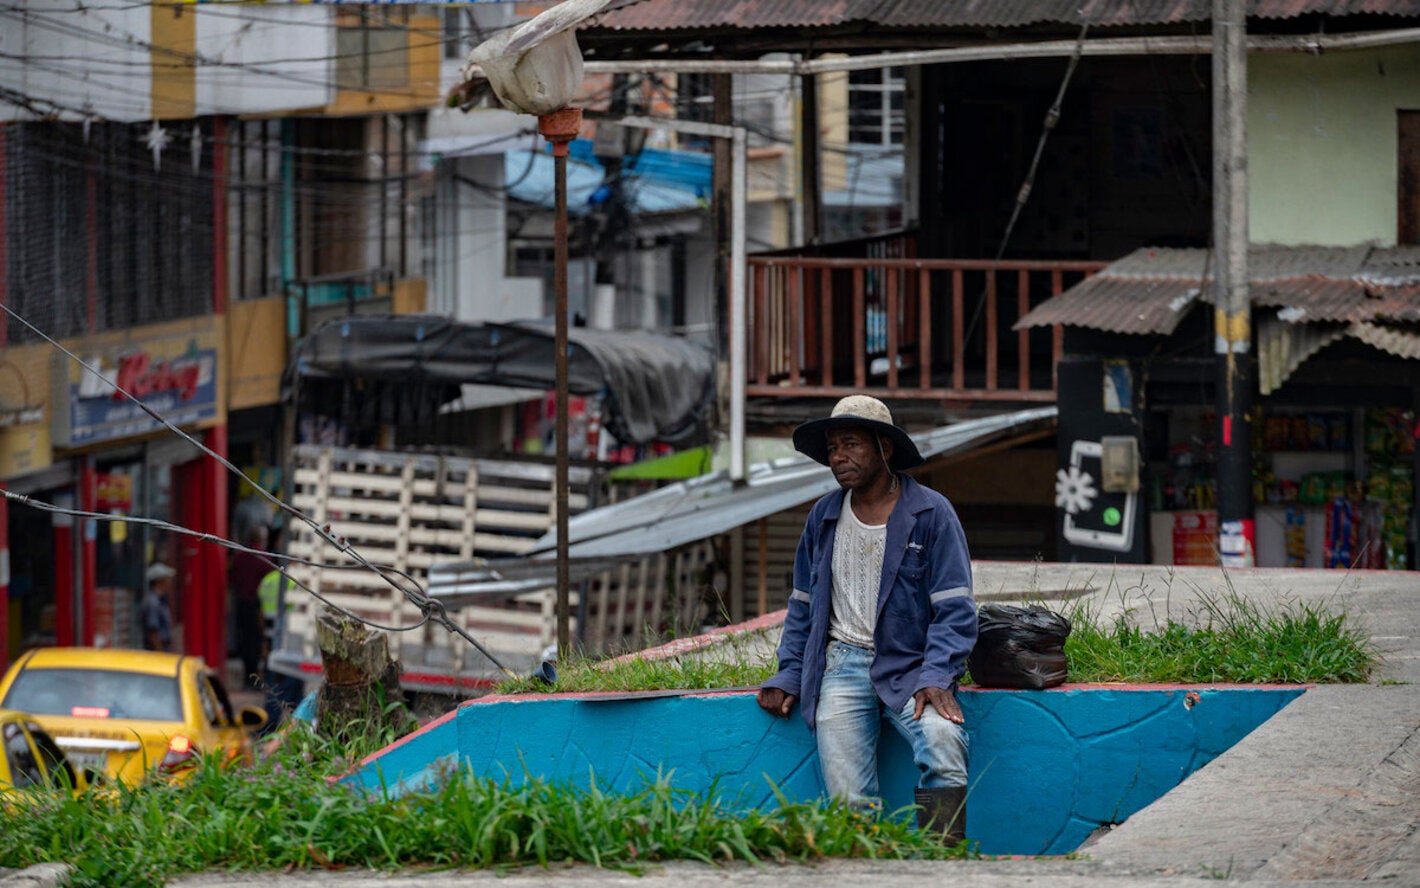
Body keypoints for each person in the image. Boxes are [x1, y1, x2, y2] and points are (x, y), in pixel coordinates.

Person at [757, 395, 977, 844]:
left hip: (914, 668)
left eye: (852, 444)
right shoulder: (824, 516)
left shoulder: (931, 514)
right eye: (834, 448)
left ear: (885, 449)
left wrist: (937, 674)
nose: (839, 457)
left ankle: (939, 863)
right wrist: (790, 673)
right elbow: (802, 607)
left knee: (943, 742)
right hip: (840, 666)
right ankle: (865, 870)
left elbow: (955, 609)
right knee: (849, 807)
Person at [230, 525, 269, 689]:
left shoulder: (239, 557)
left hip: (241, 603)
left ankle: (248, 677)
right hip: (258, 605)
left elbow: (233, 577)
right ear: (261, 539)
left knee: (244, 640)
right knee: (258, 641)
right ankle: (256, 678)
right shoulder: (264, 557)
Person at [141, 562, 176, 652]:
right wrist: (160, 652)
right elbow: (153, 631)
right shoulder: (153, 602)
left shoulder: (161, 600)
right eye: (167, 579)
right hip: (157, 650)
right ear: (160, 581)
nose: (170, 582)